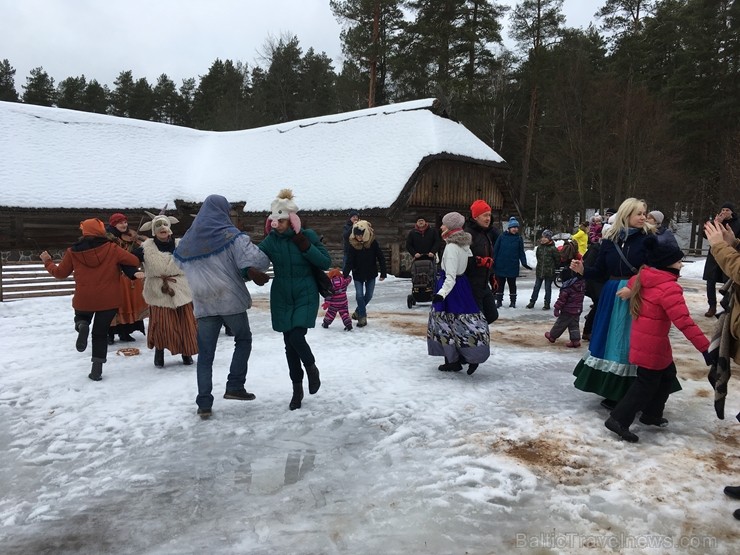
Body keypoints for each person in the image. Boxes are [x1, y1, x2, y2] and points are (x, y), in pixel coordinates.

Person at [173, 194, 271, 419]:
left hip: (203, 302)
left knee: (206, 354)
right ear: (224, 212)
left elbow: (178, 262)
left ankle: (204, 403)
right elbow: (260, 261)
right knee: (243, 339)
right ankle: (235, 385)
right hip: (230, 300)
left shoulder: (188, 240)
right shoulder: (232, 236)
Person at [604, 236, 710, 443]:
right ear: (666, 263)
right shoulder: (668, 288)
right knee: (646, 383)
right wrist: (706, 348)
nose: (681, 264)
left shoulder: (646, 276)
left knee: (667, 374)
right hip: (651, 344)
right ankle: (618, 419)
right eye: (678, 261)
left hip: (651, 341)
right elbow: (684, 322)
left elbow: (634, 281)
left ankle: (651, 414)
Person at [569, 198, 672, 410]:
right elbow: (599, 271)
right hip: (612, 295)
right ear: (626, 215)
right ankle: (612, 390)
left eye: (644, 213)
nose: (644, 217)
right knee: (611, 341)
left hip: (639, 294)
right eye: (639, 213)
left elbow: (657, 270)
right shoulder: (609, 241)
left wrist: (635, 287)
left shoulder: (650, 239)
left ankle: (636, 391)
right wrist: (582, 271)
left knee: (632, 341)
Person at [40, 218, 141, 381]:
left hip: (84, 299)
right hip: (109, 300)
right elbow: (134, 261)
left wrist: (48, 262)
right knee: (100, 334)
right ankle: (96, 371)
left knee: (81, 317)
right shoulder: (112, 248)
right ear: (101, 231)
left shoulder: (73, 251)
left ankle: (82, 325)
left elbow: (60, 274)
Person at [258, 189, 331, 411]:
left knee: (297, 336)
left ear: (290, 220)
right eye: (273, 221)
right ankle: (297, 390)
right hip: (281, 294)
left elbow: (325, 262)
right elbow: (253, 258)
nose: (275, 224)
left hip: (305, 292)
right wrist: (249, 272)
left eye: (280, 221)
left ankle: (311, 368)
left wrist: (306, 246)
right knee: (289, 345)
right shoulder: (271, 242)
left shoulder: (307, 236)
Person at [428, 211, 490, 375]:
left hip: (451, 290)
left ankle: (457, 360)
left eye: (443, 224)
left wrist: (441, 294)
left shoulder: (451, 247)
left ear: (449, 227)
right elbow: (469, 262)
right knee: (462, 324)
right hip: (463, 286)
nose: (441, 226)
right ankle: (463, 357)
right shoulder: (464, 245)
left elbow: (451, 276)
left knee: (445, 325)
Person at [134, 212, 198, 368]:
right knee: (162, 324)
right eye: (158, 226)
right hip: (158, 291)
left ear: (169, 228)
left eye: (164, 225)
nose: (162, 228)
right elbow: (128, 260)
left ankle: (186, 352)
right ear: (153, 231)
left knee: (186, 323)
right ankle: (160, 351)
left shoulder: (182, 244)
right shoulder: (145, 248)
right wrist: (132, 272)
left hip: (181, 288)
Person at [105, 213, 148, 343]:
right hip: (113, 274)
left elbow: (145, 245)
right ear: (113, 224)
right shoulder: (107, 238)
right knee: (113, 305)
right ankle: (109, 334)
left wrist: (139, 239)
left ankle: (125, 332)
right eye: (120, 223)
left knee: (128, 303)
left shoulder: (130, 236)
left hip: (129, 275)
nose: (124, 225)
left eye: (125, 222)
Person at [343, 219, 387, 327]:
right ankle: (362, 317)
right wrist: (344, 275)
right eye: (357, 235)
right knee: (359, 295)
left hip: (371, 273)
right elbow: (349, 261)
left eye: (361, 235)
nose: (359, 237)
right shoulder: (352, 245)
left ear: (365, 234)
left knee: (369, 295)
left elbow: (380, 257)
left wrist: (383, 273)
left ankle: (358, 311)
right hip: (358, 274)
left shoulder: (372, 243)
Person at [464, 199, 500, 324]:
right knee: (477, 320)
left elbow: (489, 257)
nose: (488, 218)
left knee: (492, 315)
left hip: (484, 283)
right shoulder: (468, 234)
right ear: (475, 216)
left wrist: (492, 276)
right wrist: (478, 261)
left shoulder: (486, 234)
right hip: (471, 285)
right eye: (485, 215)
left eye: (489, 215)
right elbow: (462, 260)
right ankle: (475, 341)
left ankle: (478, 337)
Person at [702, 203, 740, 317]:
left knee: (727, 281)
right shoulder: (717, 221)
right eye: (722, 209)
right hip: (714, 254)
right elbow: (705, 234)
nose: (724, 212)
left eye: (727, 210)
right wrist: (715, 223)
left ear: (732, 212)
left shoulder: (738, 223)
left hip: (729, 253)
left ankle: (726, 306)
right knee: (710, 281)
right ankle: (712, 306)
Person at [492, 216, 531, 308]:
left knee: (512, 285)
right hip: (500, 264)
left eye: (516, 227)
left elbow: (521, 252)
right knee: (500, 284)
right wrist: (493, 260)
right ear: (509, 228)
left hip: (512, 265)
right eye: (513, 227)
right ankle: (499, 301)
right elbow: (496, 249)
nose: (515, 229)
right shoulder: (502, 237)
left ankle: (513, 302)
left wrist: (524, 262)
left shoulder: (518, 239)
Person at [545, 268, 585, 348]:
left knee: (560, 324)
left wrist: (557, 308)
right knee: (574, 325)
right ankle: (575, 341)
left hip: (567, 310)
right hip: (577, 310)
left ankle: (552, 336)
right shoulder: (580, 285)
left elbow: (561, 300)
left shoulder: (567, 287)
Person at [526, 229, 560, 310]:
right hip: (539, 271)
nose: (543, 239)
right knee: (536, 287)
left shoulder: (553, 249)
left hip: (549, 272)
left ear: (549, 238)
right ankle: (532, 301)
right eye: (543, 237)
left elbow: (557, 259)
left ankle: (547, 303)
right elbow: (538, 258)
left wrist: (553, 268)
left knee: (548, 288)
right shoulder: (539, 248)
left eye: (545, 237)